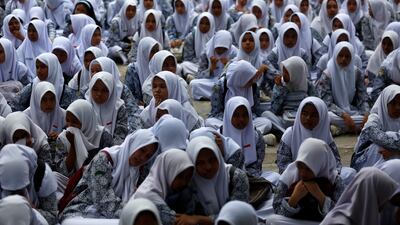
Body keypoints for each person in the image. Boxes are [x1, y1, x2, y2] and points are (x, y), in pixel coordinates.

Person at [60, 129, 159, 220]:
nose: (142, 158)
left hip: (110, 214)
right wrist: (134, 214)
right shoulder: (104, 159)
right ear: (134, 143)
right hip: (81, 210)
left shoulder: (135, 171)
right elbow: (102, 200)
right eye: (142, 150)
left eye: (148, 156)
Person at [270, 138, 344, 223]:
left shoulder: (335, 180)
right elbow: (277, 209)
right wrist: (294, 198)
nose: (303, 173)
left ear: (320, 165)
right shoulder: (289, 175)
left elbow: (340, 213)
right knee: (272, 220)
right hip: (296, 222)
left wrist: (321, 198)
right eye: (300, 166)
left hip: (321, 223)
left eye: (308, 169)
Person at [186, 136, 249, 222]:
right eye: (200, 163)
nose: (208, 167)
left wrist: (200, 220)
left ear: (218, 156)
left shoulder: (236, 177)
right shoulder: (187, 183)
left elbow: (237, 216)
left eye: (212, 160)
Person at [316, 42, 369, 134]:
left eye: (347, 56)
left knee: (372, 116)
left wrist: (366, 114)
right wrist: (344, 116)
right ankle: (356, 128)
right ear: (335, 55)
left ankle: (340, 129)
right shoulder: (327, 74)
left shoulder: (357, 73)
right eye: (340, 56)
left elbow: (363, 97)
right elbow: (326, 102)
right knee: (326, 116)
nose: (343, 59)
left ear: (352, 57)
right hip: (335, 113)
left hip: (353, 111)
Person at [132, 149, 195, 225]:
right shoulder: (149, 196)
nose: (184, 182)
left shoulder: (164, 189)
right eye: (180, 176)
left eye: (188, 177)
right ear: (167, 171)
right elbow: (175, 221)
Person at [0, 144, 58, 224]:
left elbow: (53, 216)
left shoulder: (41, 173)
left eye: (21, 189)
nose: (15, 194)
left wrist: (29, 210)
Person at [320, 167, 400, 225]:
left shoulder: (369, 215)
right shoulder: (338, 222)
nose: (386, 206)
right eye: (382, 200)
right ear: (372, 196)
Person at [54, 99, 113, 177]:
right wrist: (73, 145)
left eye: (74, 122)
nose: (70, 125)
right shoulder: (63, 138)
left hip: (97, 179)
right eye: (67, 120)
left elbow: (110, 165)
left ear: (86, 121)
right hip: (71, 182)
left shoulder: (103, 136)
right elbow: (63, 172)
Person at [262, 57, 316, 133]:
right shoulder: (280, 84)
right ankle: (286, 133)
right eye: (283, 71)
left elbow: (317, 104)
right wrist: (280, 89)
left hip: (305, 119)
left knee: (326, 114)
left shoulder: (308, 85)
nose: (283, 75)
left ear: (296, 72)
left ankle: (289, 133)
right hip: (286, 120)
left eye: (286, 72)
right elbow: (274, 110)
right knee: (266, 114)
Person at [352, 85, 400, 170]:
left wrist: (395, 152)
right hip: (364, 162)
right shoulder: (375, 118)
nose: (397, 108)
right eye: (393, 103)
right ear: (385, 103)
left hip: (392, 156)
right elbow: (377, 136)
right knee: (388, 139)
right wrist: (395, 150)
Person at [85, 71, 129, 144]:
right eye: (95, 89)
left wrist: (108, 152)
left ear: (111, 90)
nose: (99, 94)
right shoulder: (85, 107)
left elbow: (120, 136)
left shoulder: (119, 108)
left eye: (104, 90)